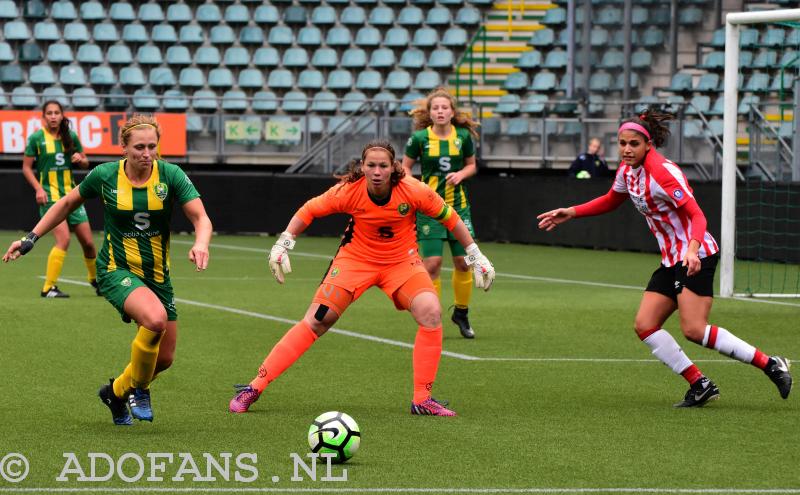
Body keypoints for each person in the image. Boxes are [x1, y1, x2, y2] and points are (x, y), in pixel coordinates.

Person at [536, 108, 792, 407]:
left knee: (694, 329)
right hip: (672, 259)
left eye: (633, 144)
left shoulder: (662, 172)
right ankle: (700, 383)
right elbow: (610, 200)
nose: (627, 149)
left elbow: (697, 215)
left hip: (697, 254)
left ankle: (772, 364)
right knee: (645, 324)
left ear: (648, 145)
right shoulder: (626, 172)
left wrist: (693, 250)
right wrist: (572, 211)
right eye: (622, 143)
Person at [229, 139, 495, 417]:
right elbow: (309, 210)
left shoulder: (414, 190)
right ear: (362, 167)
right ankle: (253, 387)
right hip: (355, 260)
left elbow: (451, 218)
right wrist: (283, 243)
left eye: (383, 165)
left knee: (431, 312)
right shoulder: (348, 191)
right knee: (319, 319)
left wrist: (476, 256)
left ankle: (422, 399)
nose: (377, 171)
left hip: (402, 262)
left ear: (394, 167)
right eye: (371, 165)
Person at [4, 114, 213, 425]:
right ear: (123, 148)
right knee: (154, 320)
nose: (146, 153)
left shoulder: (170, 175)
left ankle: (114, 392)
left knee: (165, 358)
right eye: (139, 147)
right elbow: (64, 205)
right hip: (116, 269)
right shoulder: (104, 176)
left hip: (158, 276)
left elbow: (201, 218)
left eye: (152, 146)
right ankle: (139, 390)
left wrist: (202, 243)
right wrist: (31, 237)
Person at [401, 87, 481, 339]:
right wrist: (415, 186)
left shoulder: (463, 137)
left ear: (452, 112)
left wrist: (461, 174)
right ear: (430, 112)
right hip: (429, 209)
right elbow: (404, 168)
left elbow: (472, 166)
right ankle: (431, 315)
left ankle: (461, 312)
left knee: (464, 263)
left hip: (458, 208)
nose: (440, 111)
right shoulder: (419, 139)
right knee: (432, 264)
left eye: (444, 107)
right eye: (435, 108)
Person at [22, 100, 98, 298]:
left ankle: (95, 280)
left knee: (89, 244)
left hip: (72, 196)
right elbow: (26, 167)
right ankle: (48, 288)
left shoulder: (70, 136)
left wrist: (81, 160)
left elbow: (85, 162)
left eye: (57, 112)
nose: (53, 116)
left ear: (62, 115)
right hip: (50, 197)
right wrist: (38, 188)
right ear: (44, 116)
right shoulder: (36, 138)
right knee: (63, 239)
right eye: (50, 113)